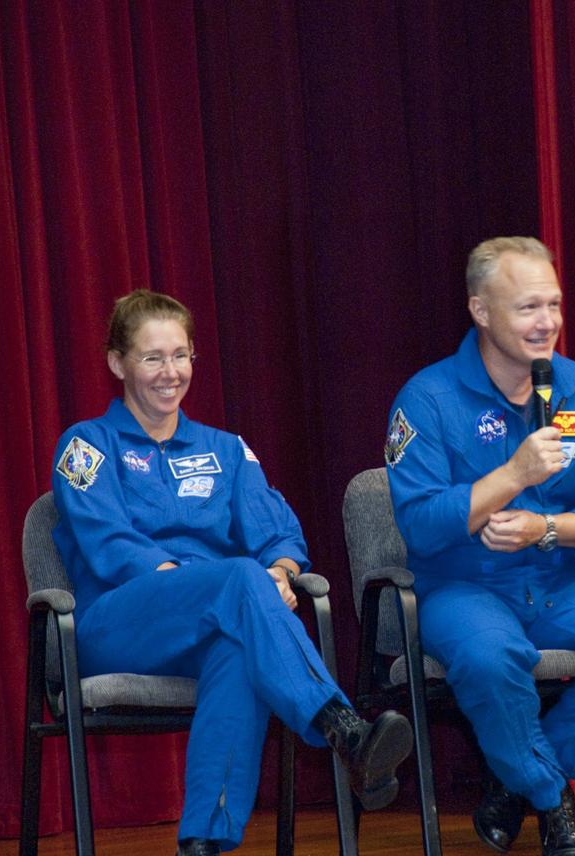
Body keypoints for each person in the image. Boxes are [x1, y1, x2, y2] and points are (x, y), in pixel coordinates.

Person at [51, 290, 413, 856]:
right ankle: (342, 727)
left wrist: (281, 574)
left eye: (181, 355)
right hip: (117, 625)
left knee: (243, 650)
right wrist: (224, 584)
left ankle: (204, 842)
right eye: (152, 358)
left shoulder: (224, 450)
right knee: (238, 581)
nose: (170, 373)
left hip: (214, 620)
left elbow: (281, 536)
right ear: (117, 363)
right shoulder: (86, 445)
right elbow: (109, 544)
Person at [385, 237, 575, 856]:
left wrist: (547, 529)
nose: (547, 322)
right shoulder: (428, 398)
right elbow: (418, 522)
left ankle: (518, 780)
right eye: (526, 308)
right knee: (494, 659)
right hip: (464, 586)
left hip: (556, 578)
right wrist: (511, 478)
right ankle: (552, 800)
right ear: (480, 310)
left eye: (554, 304)